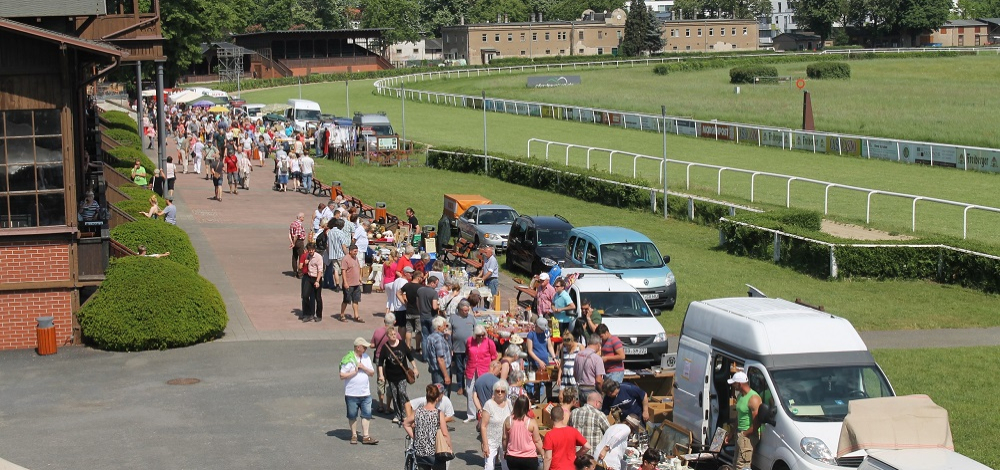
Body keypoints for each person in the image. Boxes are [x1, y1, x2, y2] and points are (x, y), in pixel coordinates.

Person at [340, 337, 379, 445]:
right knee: (352, 415)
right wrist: (354, 372)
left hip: (365, 393)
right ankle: (354, 435)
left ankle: (366, 436)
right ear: (358, 347)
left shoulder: (366, 357)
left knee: (366, 414)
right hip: (351, 393)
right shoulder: (348, 358)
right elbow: (342, 375)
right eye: (364, 347)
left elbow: (371, 373)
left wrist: (363, 367)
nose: (366, 348)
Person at [403, 384, 451, 470]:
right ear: (437, 399)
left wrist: (414, 437)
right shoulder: (438, 414)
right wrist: (449, 448)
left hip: (421, 452)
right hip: (435, 453)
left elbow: (406, 424)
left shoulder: (418, 411)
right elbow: (445, 435)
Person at [378, 325, 418, 425]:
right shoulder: (385, 347)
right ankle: (397, 414)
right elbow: (380, 363)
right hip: (391, 375)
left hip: (402, 375)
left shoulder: (402, 344)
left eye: (395, 334)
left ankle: (405, 413)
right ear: (387, 336)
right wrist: (381, 375)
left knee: (402, 392)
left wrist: (415, 367)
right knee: (395, 395)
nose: (394, 336)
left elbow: (410, 356)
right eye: (391, 335)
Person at [727, 371, 760, 470]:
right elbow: (739, 416)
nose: (733, 385)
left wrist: (745, 434)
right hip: (740, 433)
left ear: (740, 384)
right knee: (736, 464)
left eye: (734, 383)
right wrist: (732, 432)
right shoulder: (740, 396)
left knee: (742, 466)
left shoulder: (753, 398)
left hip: (748, 436)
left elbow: (757, 422)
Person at [466, 330, 498, 421]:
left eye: (482, 335)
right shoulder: (469, 341)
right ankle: (471, 415)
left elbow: (494, 356)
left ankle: (484, 412)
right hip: (471, 368)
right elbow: (467, 353)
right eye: (478, 335)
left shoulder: (489, 342)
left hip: (484, 369)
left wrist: (492, 369)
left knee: (482, 392)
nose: (481, 337)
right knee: (469, 391)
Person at [481, 380, 513, 470]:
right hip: (491, 439)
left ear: (506, 392)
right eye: (497, 391)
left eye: (502, 391)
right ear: (494, 391)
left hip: (505, 440)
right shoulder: (489, 404)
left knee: (506, 465)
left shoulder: (509, 403)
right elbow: (483, 426)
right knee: (489, 466)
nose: (499, 393)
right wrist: (485, 444)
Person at [449, 299, 477, 396]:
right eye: (465, 311)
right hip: (457, 348)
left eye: (467, 310)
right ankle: (461, 386)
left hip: (470, 348)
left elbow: (476, 331)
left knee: (469, 368)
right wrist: (450, 347)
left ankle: (470, 387)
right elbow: (449, 333)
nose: (466, 312)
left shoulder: (471, 318)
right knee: (460, 369)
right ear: (460, 310)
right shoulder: (453, 318)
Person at [372, 314, 395, 414]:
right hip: (390, 360)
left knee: (381, 381)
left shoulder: (378, 331)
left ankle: (381, 405)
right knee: (390, 381)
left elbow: (373, 345)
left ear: (384, 321)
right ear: (394, 322)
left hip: (379, 358)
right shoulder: (395, 334)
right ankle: (388, 406)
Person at [573, 335, 605, 403]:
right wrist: (602, 392)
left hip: (580, 389)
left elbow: (575, 374)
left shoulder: (578, 355)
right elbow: (599, 380)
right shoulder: (597, 358)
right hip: (592, 390)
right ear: (598, 344)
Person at [399, 269, 425, 353]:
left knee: (409, 329)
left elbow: (398, 293)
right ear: (418, 278)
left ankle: (408, 346)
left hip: (409, 310)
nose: (422, 279)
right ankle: (418, 347)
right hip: (418, 311)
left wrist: (404, 302)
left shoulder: (407, 285)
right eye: (421, 277)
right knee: (418, 330)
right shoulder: (421, 288)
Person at [417, 276, 441, 362]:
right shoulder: (434, 293)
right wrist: (439, 305)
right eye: (436, 284)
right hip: (432, 317)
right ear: (432, 283)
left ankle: (424, 357)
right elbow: (434, 307)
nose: (436, 286)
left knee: (425, 337)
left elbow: (417, 303)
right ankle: (432, 356)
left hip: (423, 316)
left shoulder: (420, 290)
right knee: (433, 337)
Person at [425, 316, 452, 392]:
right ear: (439, 327)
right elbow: (440, 359)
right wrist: (446, 376)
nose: (445, 327)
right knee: (442, 394)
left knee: (436, 392)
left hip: (434, 370)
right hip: (441, 371)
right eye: (444, 325)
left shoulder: (430, 337)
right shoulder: (439, 339)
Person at [340, 244, 364, 323]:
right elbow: (343, 271)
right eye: (354, 251)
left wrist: (360, 277)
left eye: (356, 251)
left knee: (356, 300)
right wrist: (345, 283)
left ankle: (356, 316)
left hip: (356, 283)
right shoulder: (345, 259)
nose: (356, 253)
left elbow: (358, 267)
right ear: (350, 251)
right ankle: (342, 314)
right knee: (346, 300)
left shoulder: (356, 258)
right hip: (349, 284)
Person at [301, 242, 324, 322]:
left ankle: (319, 315)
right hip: (309, 277)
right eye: (309, 250)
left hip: (317, 278)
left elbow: (320, 270)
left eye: (312, 250)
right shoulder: (308, 256)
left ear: (314, 249)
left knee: (318, 298)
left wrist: (317, 281)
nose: (310, 251)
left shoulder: (318, 257)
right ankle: (308, 314)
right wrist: (305, 263)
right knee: (305, 296)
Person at [557, 332, 582, 400]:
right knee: (561, 397)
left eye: (569, 345)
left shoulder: (579, 347)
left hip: (574, 377)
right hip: (565, 376)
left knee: (574, 397)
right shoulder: (563, 348)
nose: (567, 347)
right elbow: (562, 363)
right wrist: (559, 377)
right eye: (566, 345)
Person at [327, 218, 349, 292]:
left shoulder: (330, 232)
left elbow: (328, 244)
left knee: (335, 270)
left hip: (332, 254)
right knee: (344, 270)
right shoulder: (340, 233)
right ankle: (344, 284)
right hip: (340, 254)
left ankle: (337, 285)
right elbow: (343, 246)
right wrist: (347, 254)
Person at [289, 213, 306, 278]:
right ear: (300, 217)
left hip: (294, 241)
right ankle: (300, 273)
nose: (303, 219)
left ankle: (294, 272)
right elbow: (296, 235)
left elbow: (290, 234)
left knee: (294, 257)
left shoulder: (292, 223)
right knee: (301, 257)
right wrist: (294, 242)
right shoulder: (299, 225)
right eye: (303, 217)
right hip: (299, 241)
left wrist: (292, 243)